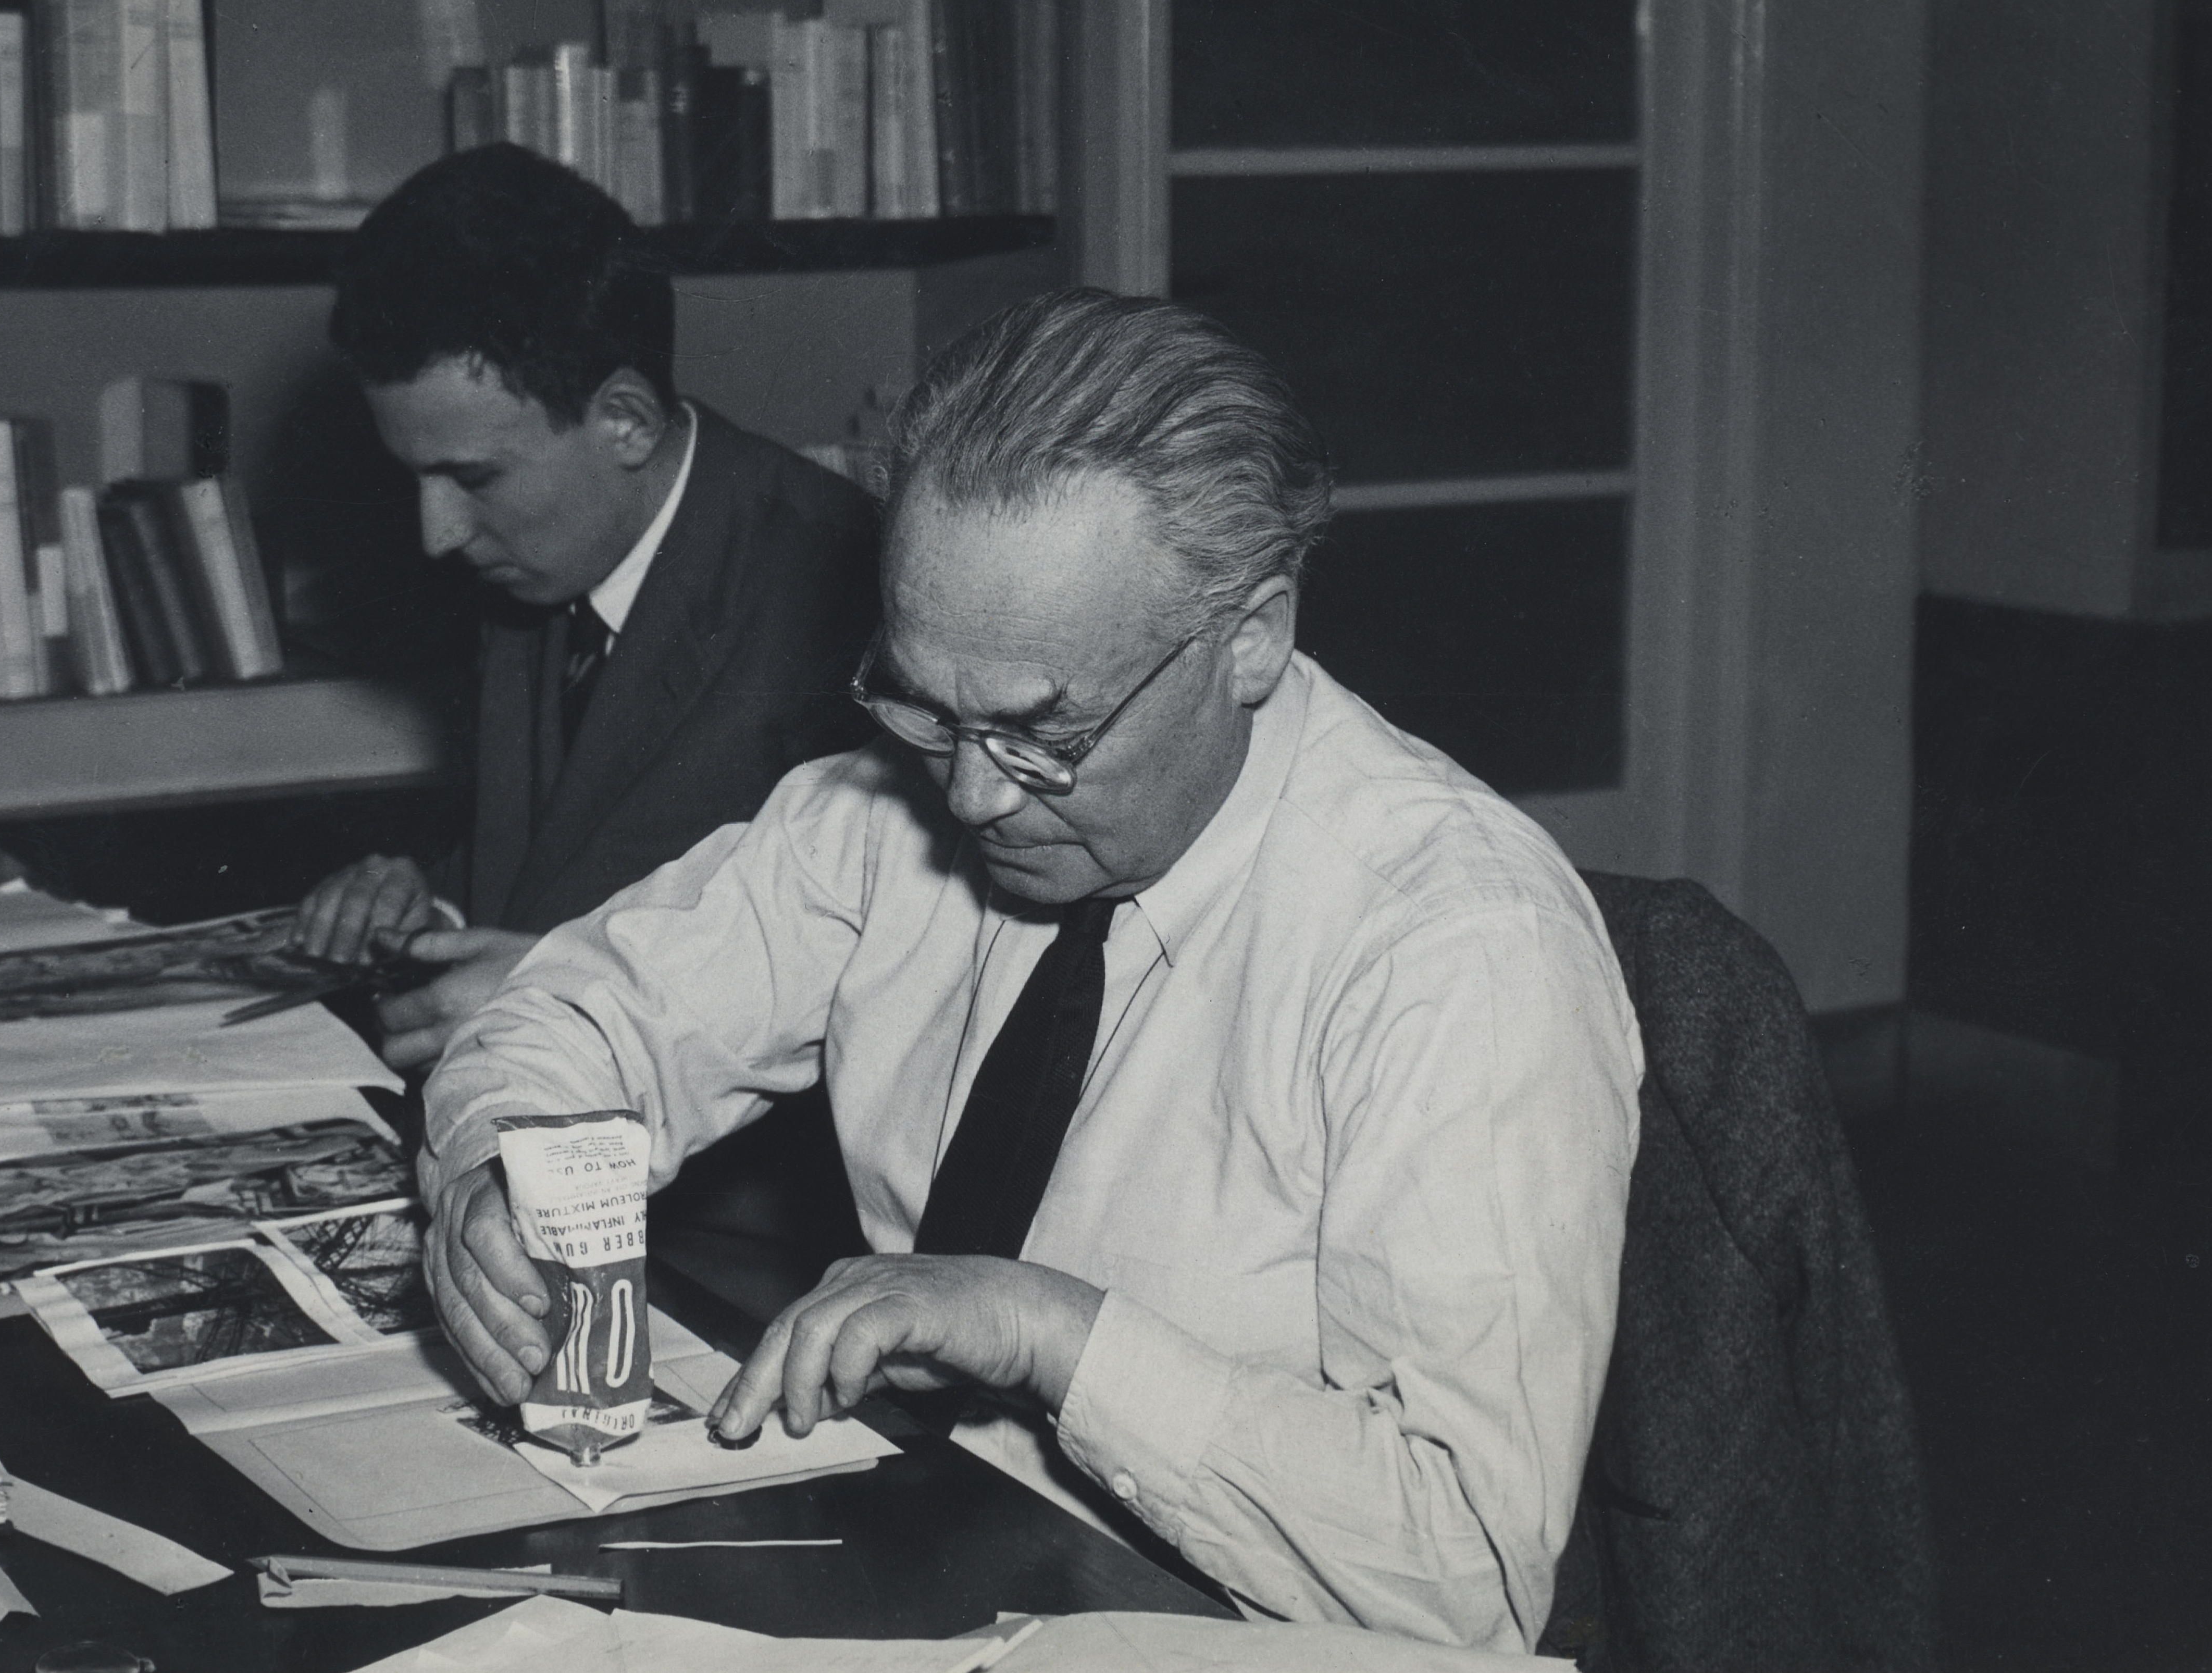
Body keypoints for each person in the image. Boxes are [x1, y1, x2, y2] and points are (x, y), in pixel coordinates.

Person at [415, 287, 1644, 1653]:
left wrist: (1048, 1328)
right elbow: (581, 1009)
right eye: (925, 705)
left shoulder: (1456, 948)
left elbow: (1462, 1572)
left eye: (1041, 734)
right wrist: (500, 1172)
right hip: (937, 1555)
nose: (976, 799)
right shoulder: (898, 805)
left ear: (1254, 638)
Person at [297, 143, 878, 1082]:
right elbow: (568, 865)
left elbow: (885, 1000)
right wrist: (427, 913)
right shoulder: (543, 555)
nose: (437, 534)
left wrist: (567, 993)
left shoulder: (845, 600)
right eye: (415, 477)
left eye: (472, 478)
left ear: (626, 422)